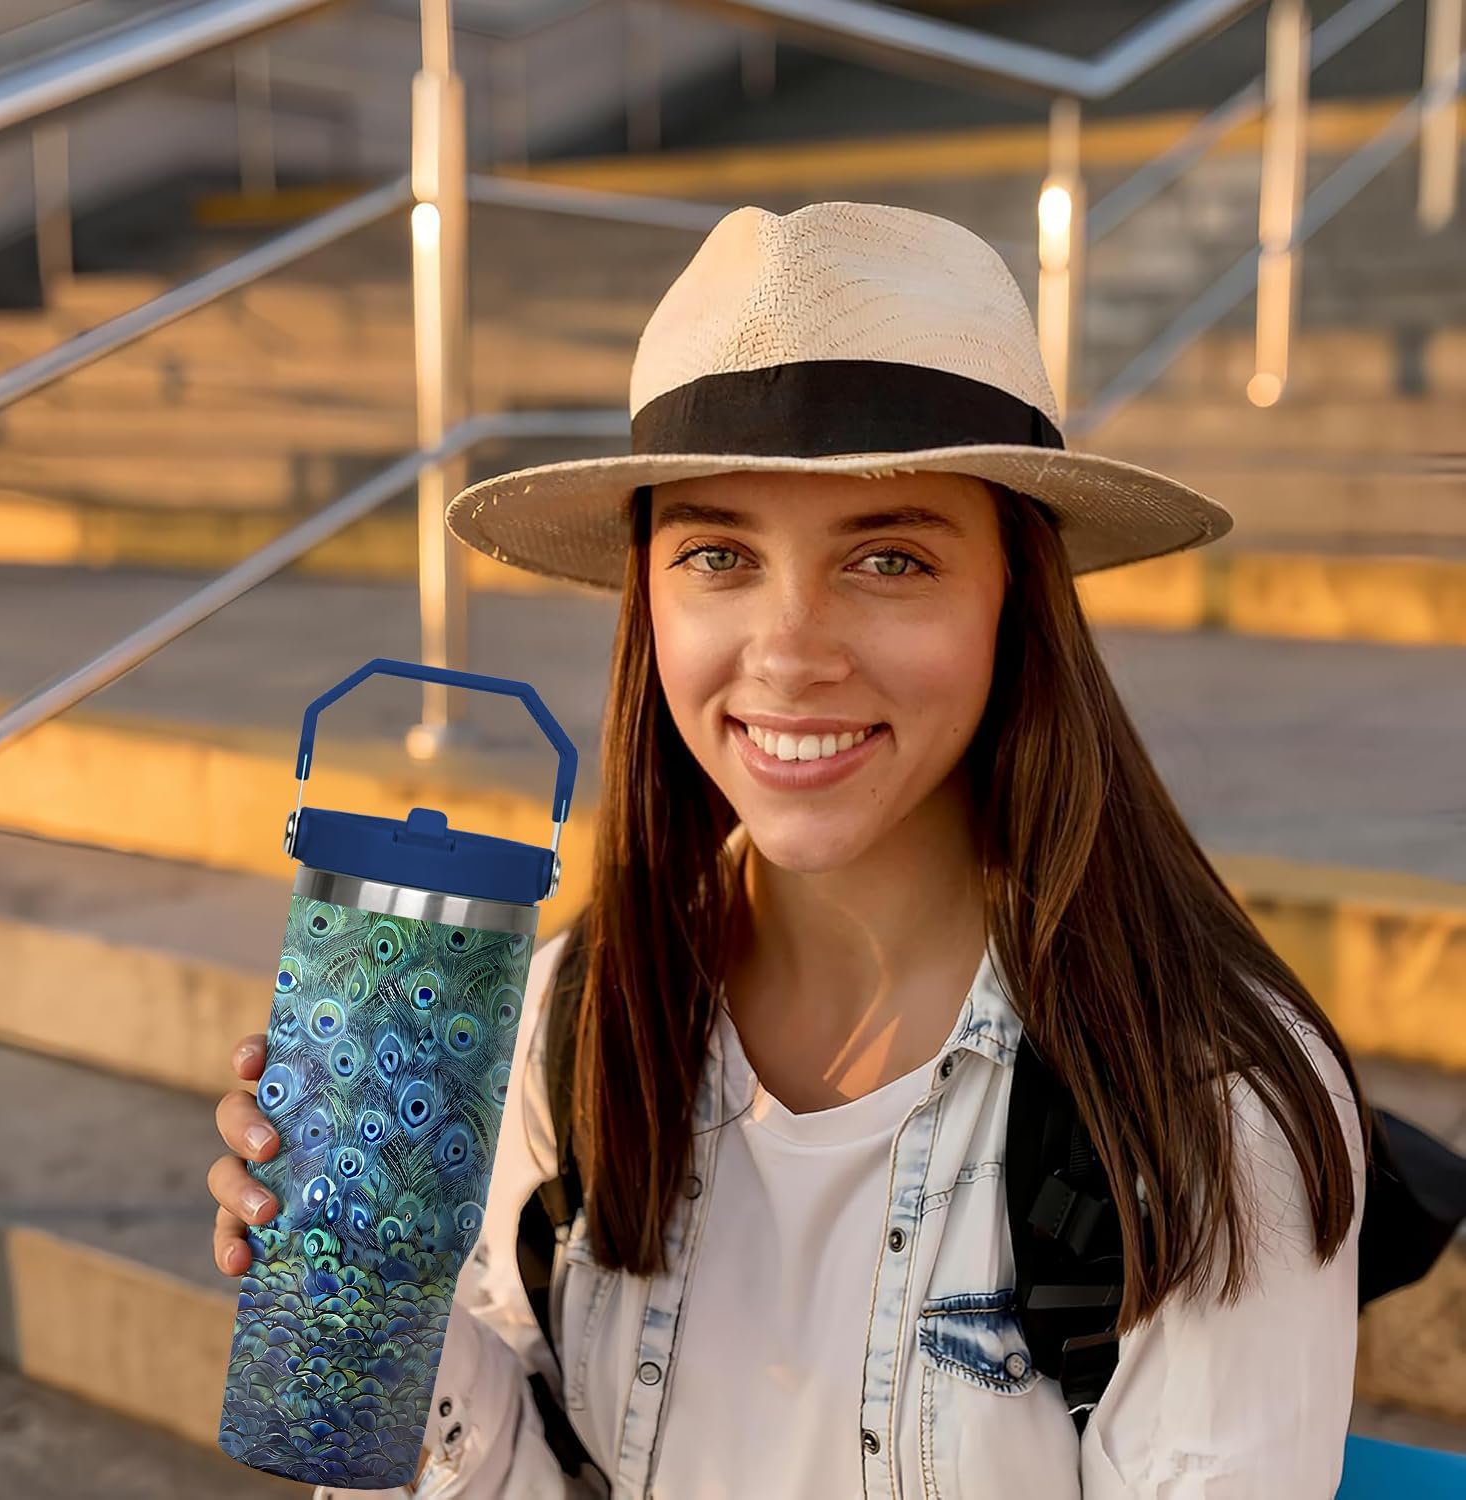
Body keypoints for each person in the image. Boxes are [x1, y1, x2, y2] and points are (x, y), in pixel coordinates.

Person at [207, 201, 1370, 1498]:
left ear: (1018, 597)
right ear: (648, 599)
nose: (791, 652)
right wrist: (386, 1318)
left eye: (890, 558)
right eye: (718, 553)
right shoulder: (575, 1017)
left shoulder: (1201, 1110)